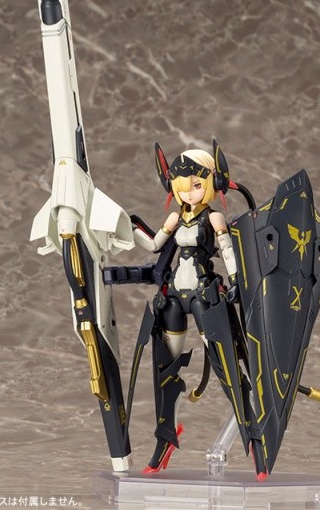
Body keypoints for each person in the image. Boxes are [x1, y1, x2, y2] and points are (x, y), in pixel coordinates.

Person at [133, 146, 242, 473]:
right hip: (174, 295)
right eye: (181, 186)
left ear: (212, 183)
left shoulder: (214, 217)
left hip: (203, 293)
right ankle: (166, 436)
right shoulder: (175, 217)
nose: (188, 192)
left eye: (195, 185)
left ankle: (249, 421)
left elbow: (227, 251)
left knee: (224, 362)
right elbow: (154, 244)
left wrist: (236, 281)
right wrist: (125, 227)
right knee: (165, 368)